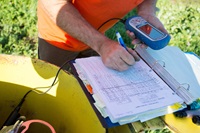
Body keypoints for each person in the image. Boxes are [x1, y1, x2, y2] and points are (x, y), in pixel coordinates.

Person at [37, 0, 168, 71]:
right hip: (58, 39)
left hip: (99, 34)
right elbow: (53, 3)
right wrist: (101, 44)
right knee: (54, 88)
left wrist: (147, 10)